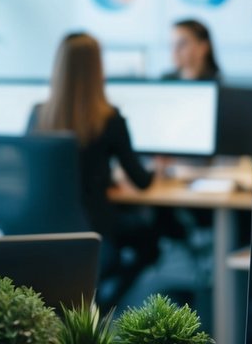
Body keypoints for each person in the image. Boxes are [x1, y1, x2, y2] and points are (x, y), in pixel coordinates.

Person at [28, 33, 156, 308]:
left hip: (45, 233)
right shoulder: (109, 118)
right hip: (94, 232)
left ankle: (93, 304)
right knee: (150, 241)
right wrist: (159, 168)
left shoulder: (38, 115)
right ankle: (107, 303)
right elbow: (141, 181)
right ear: (98, 68)